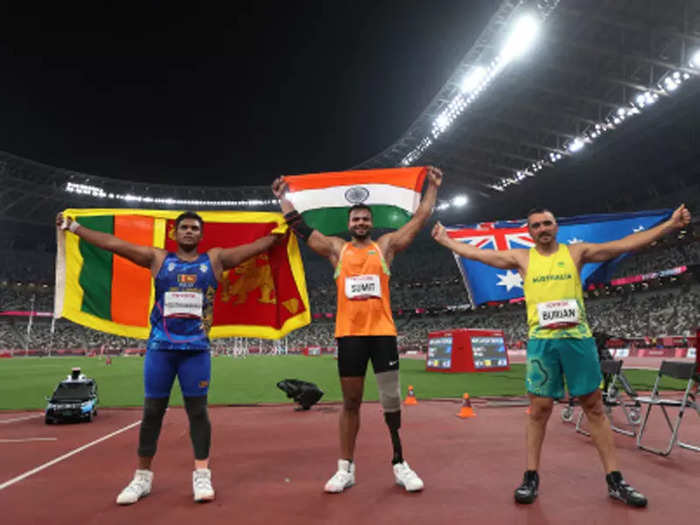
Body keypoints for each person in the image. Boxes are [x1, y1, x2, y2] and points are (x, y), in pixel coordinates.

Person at [431, 204, 692, 507]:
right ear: (529, 232)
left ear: (556, 227)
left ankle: (615, 479)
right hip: (542, 342)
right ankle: (530, 476)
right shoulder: (522, 258)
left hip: (577, 339)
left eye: (547, 223)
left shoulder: (575, 252)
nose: (542, 229)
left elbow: (622, 245)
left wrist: (669, 226)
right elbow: (479, 255)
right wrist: (447, 241)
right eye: (536, 225)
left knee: (593, 407)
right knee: (539, 409)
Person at [56, 211, 281, 504]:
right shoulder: (158, 259)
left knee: (198, 413)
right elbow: (114, 244)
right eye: (184, 227)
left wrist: (278, 234)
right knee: (152, 412)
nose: (189, 231)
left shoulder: (214, 260)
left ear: (201, 235)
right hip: (161, 348)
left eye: (194, 228)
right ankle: (142, 477)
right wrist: (74, 227)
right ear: (175, 233)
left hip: (196, 350)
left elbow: (253, 248)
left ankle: (202, 474)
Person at [271, 166, 442, 493]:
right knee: (351, 402)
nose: (360, 222)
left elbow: (419, 219)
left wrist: (432, 187)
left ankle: (400, 463)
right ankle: (345, 468)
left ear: (371, 223)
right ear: (349, 224)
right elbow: (302, 229)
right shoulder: (338, 249)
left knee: (391, 400)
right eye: (356, 219)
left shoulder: (385, 246)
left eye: (365, 218)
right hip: (349, 335)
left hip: (383, 333)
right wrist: (284, 199)